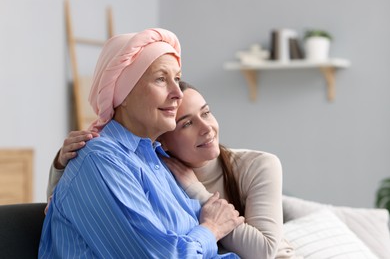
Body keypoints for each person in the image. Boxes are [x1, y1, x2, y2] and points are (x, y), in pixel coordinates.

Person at [39, 28, 245, 258]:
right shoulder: (100, 159)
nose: (178, 93)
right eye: (161, 79)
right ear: (122, 94)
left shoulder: (155, 159)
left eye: (176, 79)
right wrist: (211, 229)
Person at [47, 80, 300, 258]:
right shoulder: (154, 172)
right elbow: (72, 205)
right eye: (187, 123)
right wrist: (62, 161)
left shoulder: (258, 165)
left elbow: (265, 251)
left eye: (207, 113)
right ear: (162, 139)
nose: (207, 128)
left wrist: (196, 191)